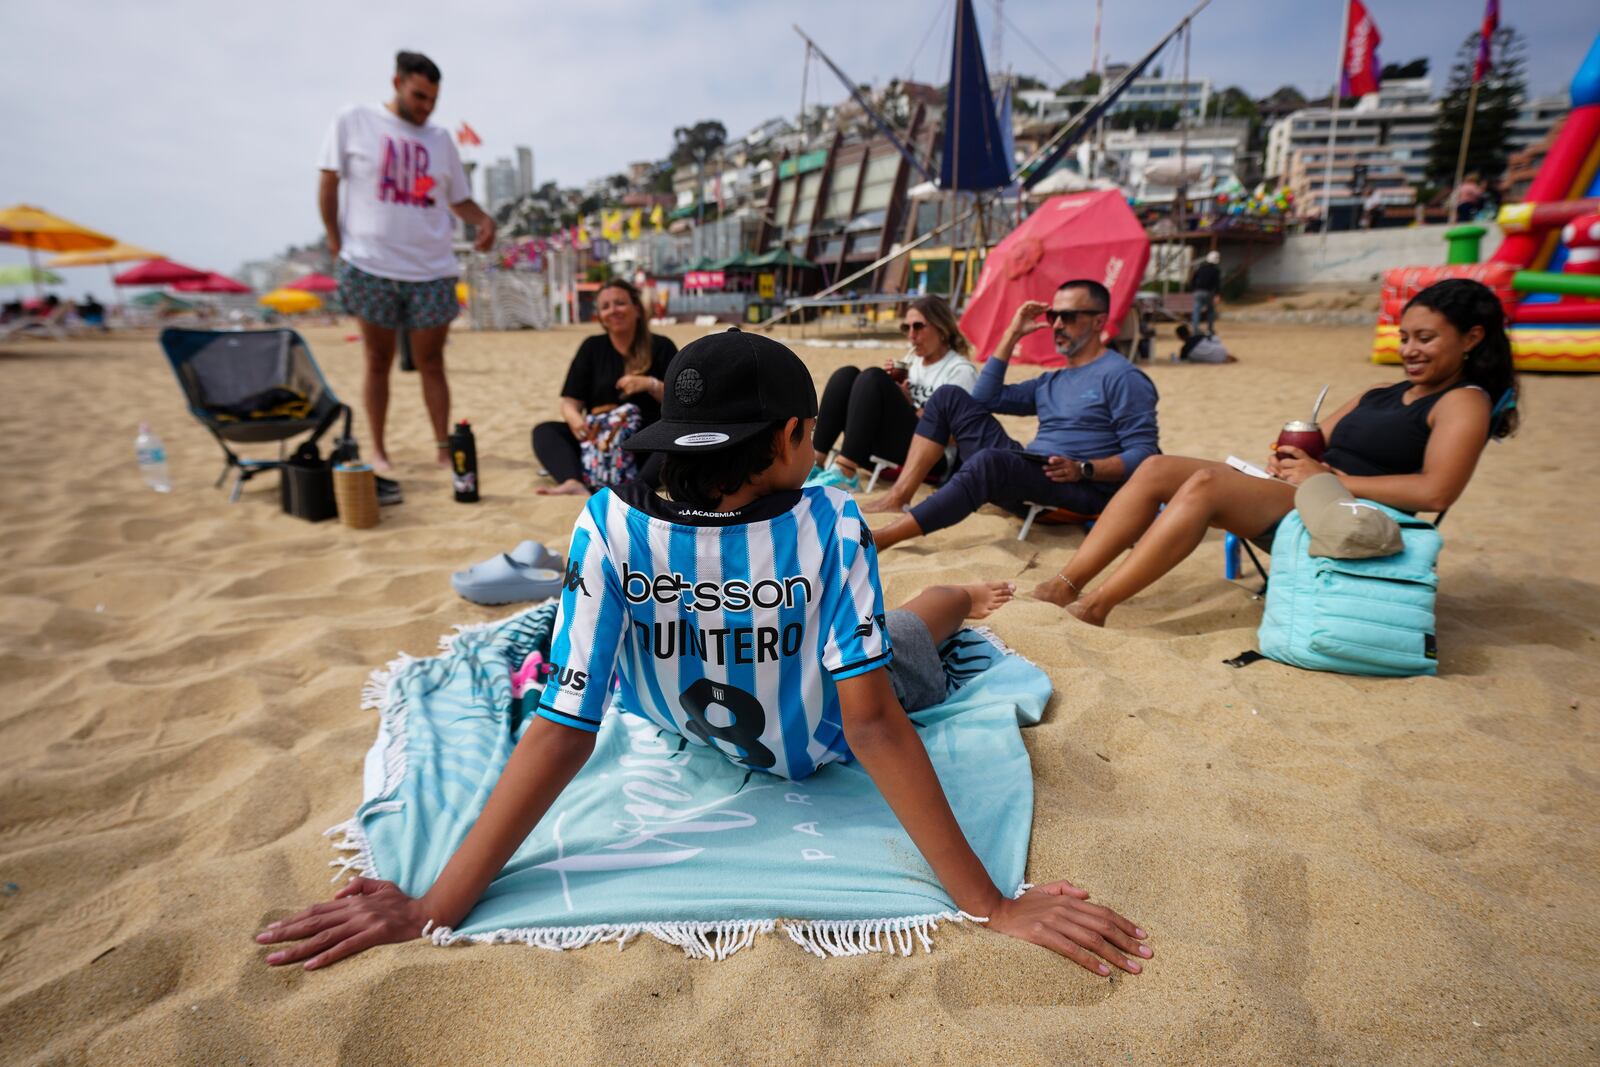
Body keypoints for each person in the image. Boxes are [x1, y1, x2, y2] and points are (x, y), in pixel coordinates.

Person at [256, 329, 1153, 977]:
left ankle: (963, 595)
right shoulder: (833, 524)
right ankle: (958, 594)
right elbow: (872, 723)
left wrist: (433, 905)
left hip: (698, 721)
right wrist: (988, 903)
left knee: (935, 615)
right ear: (798, 438)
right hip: (818, 731)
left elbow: (562, 728)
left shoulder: (606, 525)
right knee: (919, 627)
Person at [1032, 278, 1519, 626]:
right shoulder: (1381, 391)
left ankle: (1096, 606)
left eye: (1426, 339)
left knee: (1207, 484)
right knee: (1158, 467)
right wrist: (1288, 459)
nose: (1410, 350)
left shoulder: (1463, 402)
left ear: (1472, 338)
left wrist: (1323, 478)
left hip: (1350, 516)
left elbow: (1437, 490)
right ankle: (1066, 583)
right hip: (1307, 494)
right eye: (1405, 337)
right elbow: (1314, 437)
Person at [864, 280, 1160, 551]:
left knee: (990, 461)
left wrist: (1084, 468)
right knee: (948, 397)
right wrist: (1012, 332)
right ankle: (898, 497)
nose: (1057, 324)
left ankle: (885, 538)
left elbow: (1146, 454)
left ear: (1099, 321)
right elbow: (984, 398)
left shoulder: (1123, 377)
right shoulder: (1051, 381)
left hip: (1079, 486)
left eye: (1068, 317)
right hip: (1034, 472)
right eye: (1052, 316)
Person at [318, 50, 497, 472]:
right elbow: (328, 180)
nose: (426, 107)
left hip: (432, 268)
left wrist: (483, 220)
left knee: (432, 362)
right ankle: (378, 451)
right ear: (396, 83)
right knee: (376, 361)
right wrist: (333, 239)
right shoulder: (354, 120)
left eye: (433, 99)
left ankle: (440, 448)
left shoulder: (440, 140)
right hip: (370, 263)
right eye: (419, 96)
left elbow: (458, 199)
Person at [811, 294, 977, 488]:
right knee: (846, 376)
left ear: (942, 328)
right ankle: (815, 464)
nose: (911, 335)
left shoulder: (960, 371)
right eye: (906, 327)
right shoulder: (912, 364)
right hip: (892, 448)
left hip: (932, 459)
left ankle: (846, 472)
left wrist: (909, 406)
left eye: (918, 326)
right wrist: (891, 392)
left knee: (872, 378)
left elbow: (961, 434)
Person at [531, 279, 678, 496]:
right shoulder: (592, 347)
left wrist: (650, 384)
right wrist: (575, 420)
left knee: (675, 440)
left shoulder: (661, 346)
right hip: (601, 441)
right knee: (545, 431)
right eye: (605, 307)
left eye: (620, 303)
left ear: (636, 308)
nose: (613, 311)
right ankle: (573, 481)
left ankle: (638, 488)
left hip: (644, 443)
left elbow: (682, 404)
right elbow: (570, 402)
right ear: (600, 316)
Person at [1189, 250, 1221, 335]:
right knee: (1210, 310)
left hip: (1198, 292)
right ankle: (1209, 329)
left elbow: (1192, 280)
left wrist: (1194, 289)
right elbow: (1217, 284)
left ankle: (1195, 329)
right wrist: (1217, 294)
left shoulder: (1200, 268)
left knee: (1196, 310)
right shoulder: (1215, 270)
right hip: (1208, 293)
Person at [1173, 323, 1237, 364]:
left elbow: (1182, 360)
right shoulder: (1199, 336)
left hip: (1213, 360)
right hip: (1220, 350)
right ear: (1189, 332)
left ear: (1179, 337)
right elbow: (1215, 338)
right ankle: (1224, 356)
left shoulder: (1184, 350)